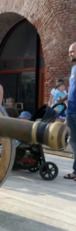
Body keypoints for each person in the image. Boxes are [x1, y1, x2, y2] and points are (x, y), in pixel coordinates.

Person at [58, 42, 76, 180]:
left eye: (72, 51)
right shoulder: (73, 69)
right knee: (74, 142)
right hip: (70, 111)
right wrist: (63, 98)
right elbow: (71, 89)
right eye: (70, 51)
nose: (69, 54)